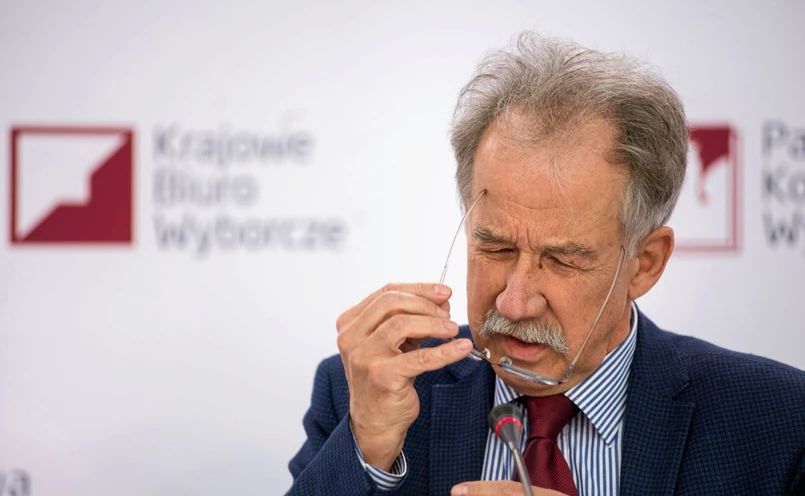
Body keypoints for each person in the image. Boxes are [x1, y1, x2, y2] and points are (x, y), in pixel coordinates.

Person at [286, 32, 805, 496]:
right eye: (495, 248)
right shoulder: (364, 392)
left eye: (562, 260)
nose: (514, 303)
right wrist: (368, 448)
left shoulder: (778, 421)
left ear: (645, 263)